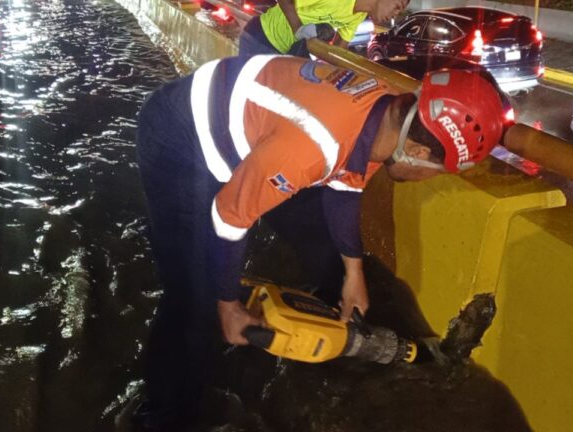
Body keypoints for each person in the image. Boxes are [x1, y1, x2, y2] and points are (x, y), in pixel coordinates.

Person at [133, 54, 506, 430]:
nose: (429, 178)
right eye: (437, 172)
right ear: (419, 153)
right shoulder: (312, 145)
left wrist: (353, 273)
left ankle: (334, 339)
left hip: (255, 130)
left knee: (320, 244)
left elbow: (347, 184)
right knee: (193, 296)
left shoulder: (390, 111)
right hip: (178, 139)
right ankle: (163, 417)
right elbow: (228, 217)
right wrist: (227, 304)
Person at [238, 0, 408, 57]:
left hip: (287, 53)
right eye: (397, 6)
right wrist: (298, 29)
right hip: (262, 38)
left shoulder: (358, 15)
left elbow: (338, 51)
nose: (395, 15)